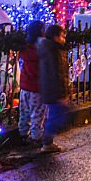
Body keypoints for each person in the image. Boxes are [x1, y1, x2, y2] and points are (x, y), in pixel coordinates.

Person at [37, 24, 71, 154]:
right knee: (57, 117)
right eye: (62, 36)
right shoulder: (54, 51)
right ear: (55, 37)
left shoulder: (49, 49)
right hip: (55, 91)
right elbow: (58, 73)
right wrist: (62, 94)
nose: (64, 39)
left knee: (56, 115)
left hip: (50, 89)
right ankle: (47, 142)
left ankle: (48, 140)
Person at [17, 20, 45, 146]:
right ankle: (36, 137)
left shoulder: (24, 49)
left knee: (24, 112)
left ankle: (22, 133)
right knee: (37, 113)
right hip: (36, 87)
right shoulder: (41, 50)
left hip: (25, 86)